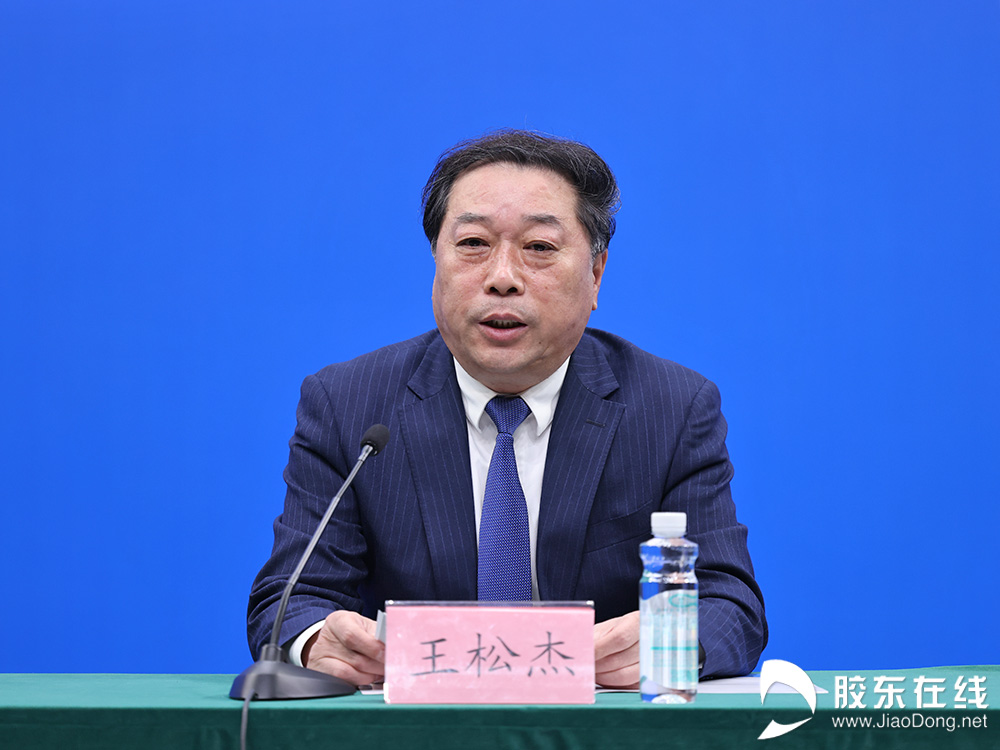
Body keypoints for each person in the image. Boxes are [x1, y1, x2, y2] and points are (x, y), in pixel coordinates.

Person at [246, 130, 766, 688]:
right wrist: (316, 641)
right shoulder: (348, 405)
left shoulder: (671, 408)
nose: (501, 279)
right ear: (436, 262)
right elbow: (292, 599)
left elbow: (730, 604)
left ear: (595, 275)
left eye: (538, 248)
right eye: (473, 243)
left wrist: (670, 641)